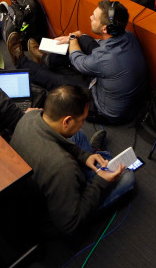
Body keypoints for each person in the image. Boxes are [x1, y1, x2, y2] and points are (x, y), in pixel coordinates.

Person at [10, 85, 134, 236]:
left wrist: (84, 156)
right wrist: (100, 182)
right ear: (66, 121)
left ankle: (94, 156)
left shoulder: (31, 116)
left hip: (34, 179)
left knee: (78, 135)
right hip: (52, 215)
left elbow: (55, 140)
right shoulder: (62, 166)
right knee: (127, 177)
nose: (83, 123)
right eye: (82, 119)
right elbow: (69, 225)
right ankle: (98, 167)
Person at [8, 0, 146, 124]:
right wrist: (80, 38)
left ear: (105, 28)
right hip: (122, 95)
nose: (90, 17)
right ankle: (46, 60)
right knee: (83, 40)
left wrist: (73, 38)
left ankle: (21, 62)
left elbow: (77, 60)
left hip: (104, 110)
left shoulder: (104, 58)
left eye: (94, 18)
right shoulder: (127, 35)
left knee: (58, 80)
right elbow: (99, 45)